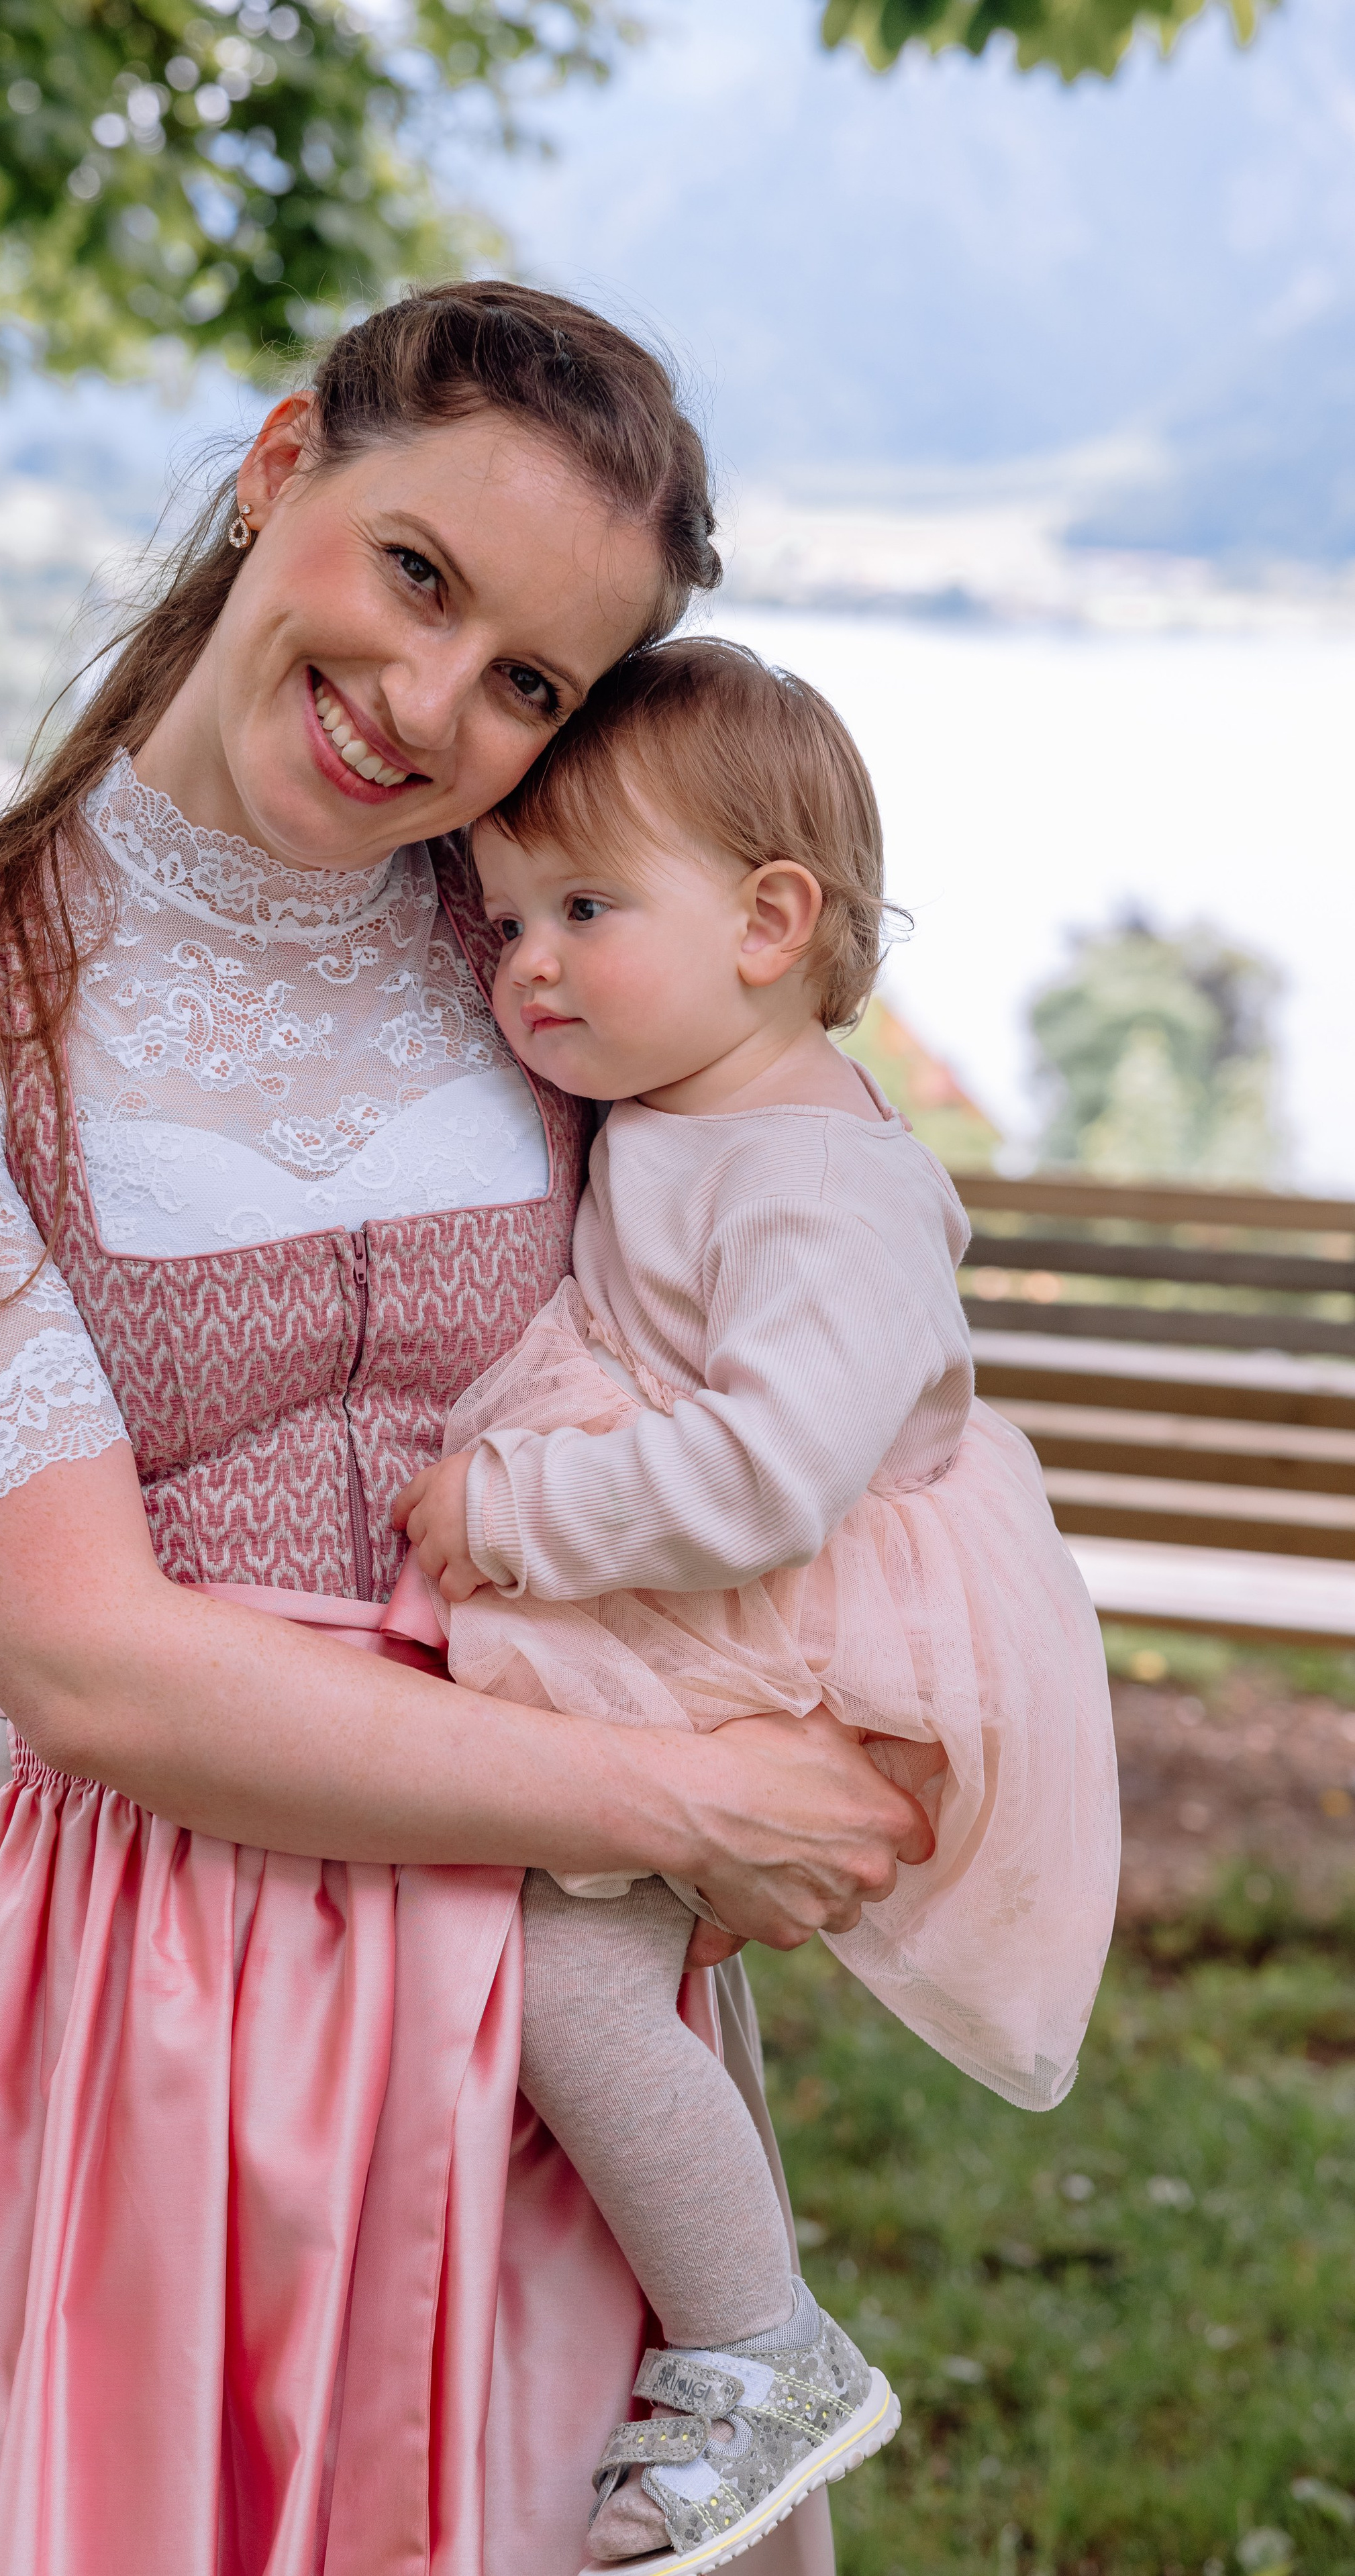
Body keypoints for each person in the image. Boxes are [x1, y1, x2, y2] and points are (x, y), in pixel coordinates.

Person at [0, 285, 932, 2576]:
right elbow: (89, 1666)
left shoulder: (536, 949)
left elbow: (819, 1234)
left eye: (530, 681)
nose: (431, 706)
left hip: (572, 1979)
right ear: (282, 465)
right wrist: (680, 1795)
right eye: (418, 574)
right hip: (164, 1981)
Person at [393, 639, 1121, 2567]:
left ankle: (763, 2350)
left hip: (786, 1615)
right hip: (717, 1602)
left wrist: (520, 1509)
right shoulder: (698, 1101)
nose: (527, 962)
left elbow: (770, 1474)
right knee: (579, 1956)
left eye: (586, 908)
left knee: (571, 1977)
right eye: (508, 919)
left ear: (774, 922)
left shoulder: (817, 1179)